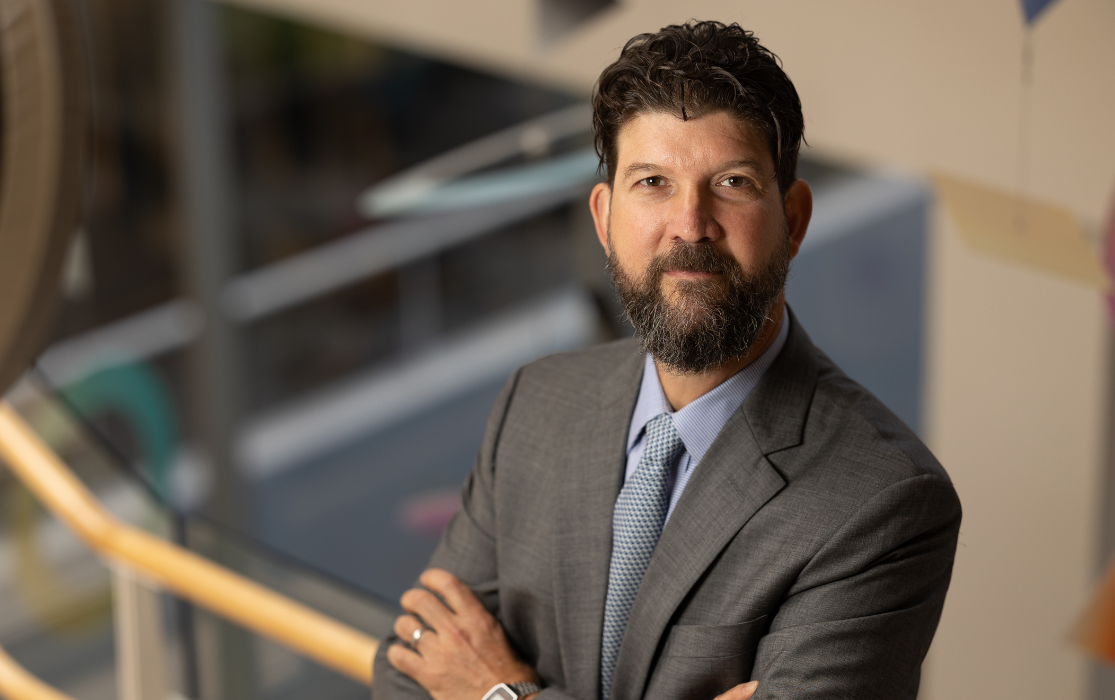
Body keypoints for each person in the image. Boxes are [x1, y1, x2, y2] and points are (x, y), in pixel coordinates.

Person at [372, 20, 960, 700]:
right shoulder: (536, 403)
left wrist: (498, 691)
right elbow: (407, 674)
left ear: (793, 220)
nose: (690, 224)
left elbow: (457, 681)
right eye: (653, 182)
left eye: (732, 182)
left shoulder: (881, 500)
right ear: (604, 218)